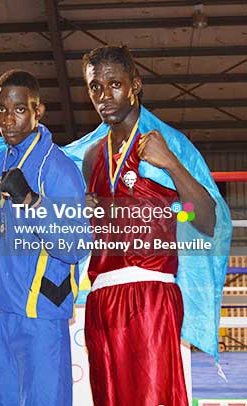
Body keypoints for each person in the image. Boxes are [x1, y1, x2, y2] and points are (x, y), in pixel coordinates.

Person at [80, 45, 230, 406]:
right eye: (95, 87)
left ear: (136, 84)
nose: (104, 96)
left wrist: (173, 165)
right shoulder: (91, 156)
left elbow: (207, 221)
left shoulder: (171, 142)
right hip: (101, 299)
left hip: (150, 295)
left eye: (114, 84)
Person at [0, 70, 89, 406]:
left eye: (19, 110)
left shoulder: (58, 168)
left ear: (38, 111)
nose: (7, 120)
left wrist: (31, 201)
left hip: (37, 314)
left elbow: (75, 244)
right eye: (0, 110)